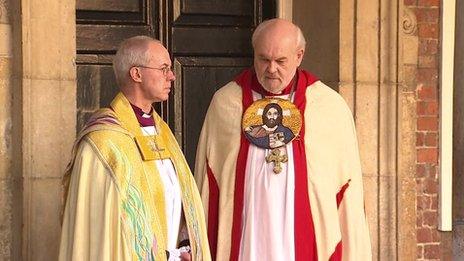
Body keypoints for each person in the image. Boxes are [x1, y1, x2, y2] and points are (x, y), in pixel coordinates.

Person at [194, 19, 372, 261]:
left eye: (281, 61)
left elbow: (346, 186)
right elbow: (209, 181)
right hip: (248, 232)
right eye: (263, 59)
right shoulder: (226, 102)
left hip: (303, 236)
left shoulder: (329, 106)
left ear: (299, 56)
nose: (271, 69)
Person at [59, 36, 211, 261]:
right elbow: (103, 233)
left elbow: (177, 200)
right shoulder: (102, 142)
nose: (172, 75)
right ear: (136, 74)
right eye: (163, 68)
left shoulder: (162, 132)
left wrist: (184, 245)